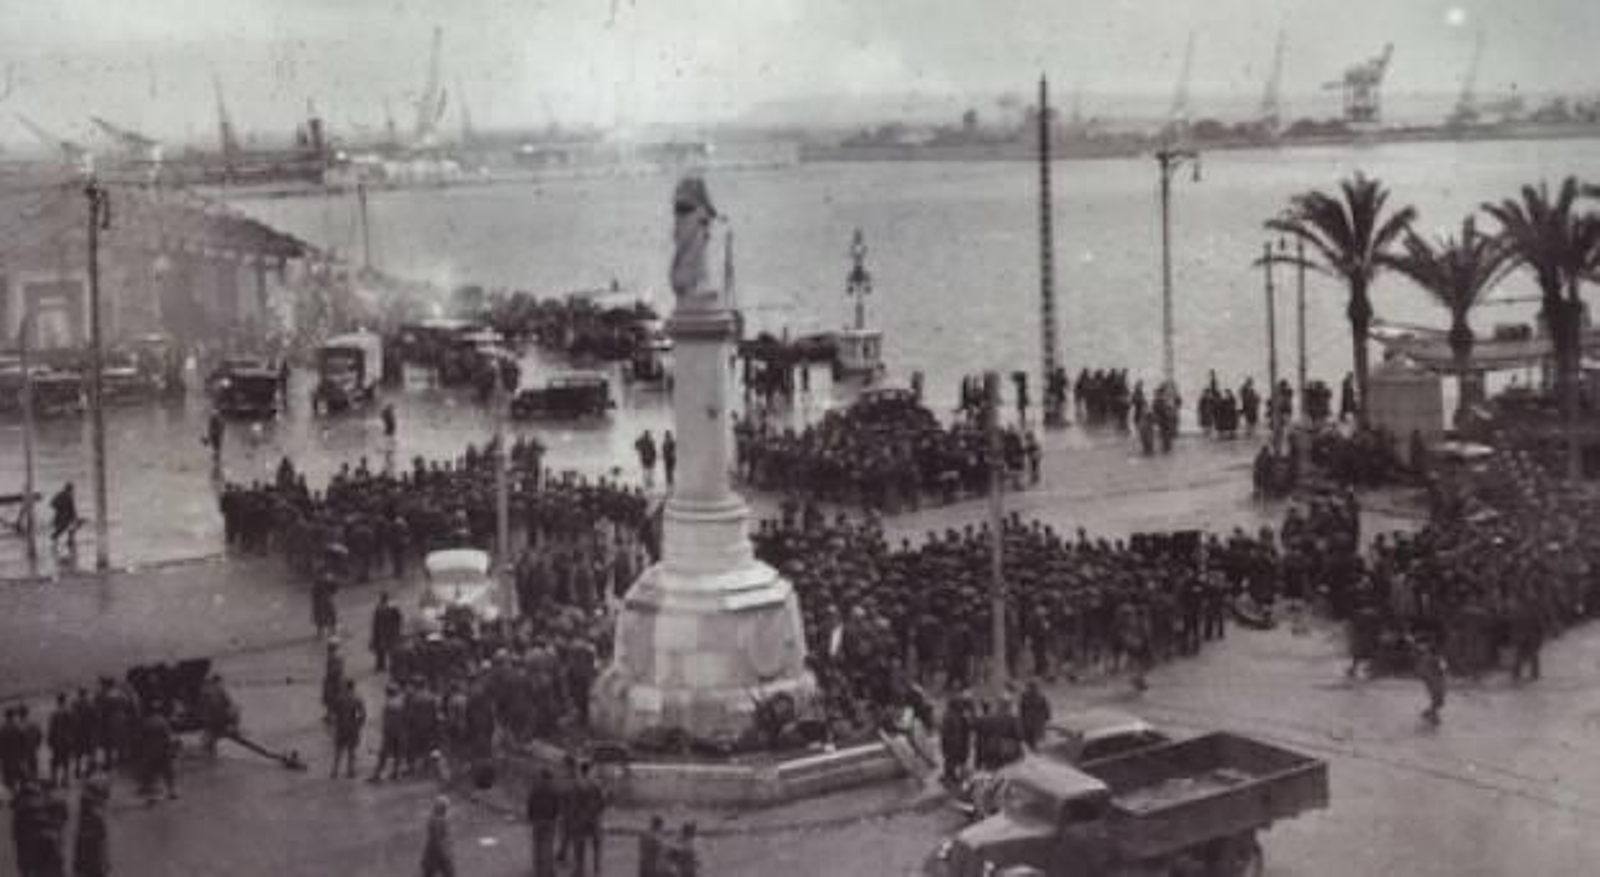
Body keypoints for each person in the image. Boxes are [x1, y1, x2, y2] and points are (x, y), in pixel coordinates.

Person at [525, 768, 561, 877]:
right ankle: (548, 871)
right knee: (548, 847)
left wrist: (530, 817)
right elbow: (557, 806)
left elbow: (530, 803)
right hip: (549, 821)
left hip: (537, 820)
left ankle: (538, 871)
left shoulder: (534, 788)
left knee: (537, 846)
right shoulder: (554, 789)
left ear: (541, 776)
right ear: (549, 778)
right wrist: (555, 817)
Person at [73, 778, 110, 877]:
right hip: (89, 855)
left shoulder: (95, 818)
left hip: (93, 855)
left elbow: (102, 839)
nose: (83, 806)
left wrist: (105, 861)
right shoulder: (87, 819)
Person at [330, 680, 366, 779]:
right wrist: (358, 725)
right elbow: (362, 715)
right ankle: (350, 771)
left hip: (341, 727)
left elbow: (333, 714)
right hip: (352, 728)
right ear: (353, 687)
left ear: (346, 687)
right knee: (352, 751)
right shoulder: (358, 698)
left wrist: (335, 724)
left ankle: (334, 771)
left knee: (338, 751)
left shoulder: (339, 698)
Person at [1415, 639, 1447, 725]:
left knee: (1438, 701)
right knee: (1438, 701)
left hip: (1435, 682)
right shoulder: (1433, 658)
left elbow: (1420, 671)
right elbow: (1443, 669)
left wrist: (1426, 678)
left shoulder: (1428, 658)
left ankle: (1429, 714)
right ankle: (1432, 716)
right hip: (1436, 682)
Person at [421, 796, 455, 877]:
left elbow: (443, 836)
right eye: (446, 807)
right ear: (442, 808)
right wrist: (445, 853)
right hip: (439, 852)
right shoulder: (438, 821)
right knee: (448, 871)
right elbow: (437, 839)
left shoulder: (435, 818)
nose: (448, 810)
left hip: (432, 852)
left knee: (430, 871)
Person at [370, 593, 403, 673]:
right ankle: (383, 665)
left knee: (385, 649)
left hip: (386, 631)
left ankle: (383, 665)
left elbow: (399, 618)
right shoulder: (388, 607)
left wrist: (375, 633)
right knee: (385, 649)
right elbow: (399, 618)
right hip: (386, 631)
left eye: (382, 598)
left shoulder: (381, 608)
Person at [1018, 681, 1051, 750]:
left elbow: (1046, 707)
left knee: (1035, 734)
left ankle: (1034, 747)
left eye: (1033, 687)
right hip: (1031, 718)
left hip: (1036, 718)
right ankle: (1033, 747)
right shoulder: (1024, 696)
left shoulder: (1041, 696)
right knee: (1030, 733)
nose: (1032, 689)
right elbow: (1021, 707)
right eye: (1031, 687)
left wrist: (1047, 716)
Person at [50, 483, 80, 550]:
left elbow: (52, 503)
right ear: (70, 489)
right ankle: (69, 542)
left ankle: (58, 542)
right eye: (72, 490)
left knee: (63, 529)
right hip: (65, 517)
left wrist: (59, 508)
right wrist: (75, 518)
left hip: (59, 516)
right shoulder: (69, 497)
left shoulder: (59, 494)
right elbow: (72, 509)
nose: (73, 491)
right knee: (69, 529)